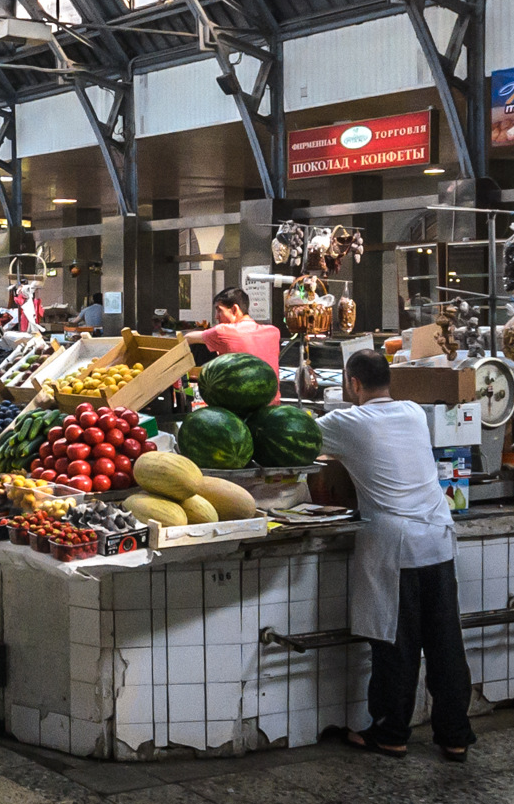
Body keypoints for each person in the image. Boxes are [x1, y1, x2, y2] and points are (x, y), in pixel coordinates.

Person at [314, 352, 472, 761]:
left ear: (353, 385)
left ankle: (391, 733)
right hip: (438, 538)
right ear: (390, 381)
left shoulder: (347, 423)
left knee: (396, 644)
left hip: (396, 545)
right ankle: (455, 735)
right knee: (445, 644)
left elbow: (295, 437)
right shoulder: (414, 412)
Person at [190, 285, 280, 369]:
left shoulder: (223, 332)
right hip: (270, 385)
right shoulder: (273, 332)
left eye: (219, 310)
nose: (216, 316)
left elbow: (187, 338)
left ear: (234, 310)